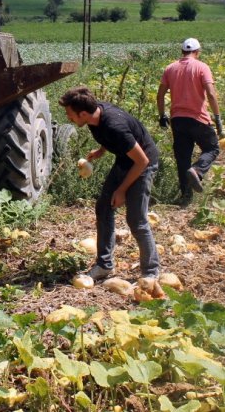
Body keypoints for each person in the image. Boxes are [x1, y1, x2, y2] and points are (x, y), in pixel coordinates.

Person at [59, 87, 160, 281]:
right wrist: (101, 150)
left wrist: (122, 190)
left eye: (70, 115)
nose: (69, 119)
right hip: (126, 160)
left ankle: (150, 272)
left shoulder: (114, 126)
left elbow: (142, 161)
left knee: (136, 220)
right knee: (103, 208)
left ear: (83, 113)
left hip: (143, 163)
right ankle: (104, 265)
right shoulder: (94, 116)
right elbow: (111, 137)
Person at [156, 37, 225, 205]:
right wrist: (217, 118)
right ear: (197, 52)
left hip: (178, 120)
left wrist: (162, 115)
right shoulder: (202, 67)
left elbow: (160, 95)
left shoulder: (170, 68)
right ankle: (197, 170)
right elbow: (210, 93)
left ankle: (185, 197)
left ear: (182, 52)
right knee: (212, 148)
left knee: (182, 158)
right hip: (198, 118)